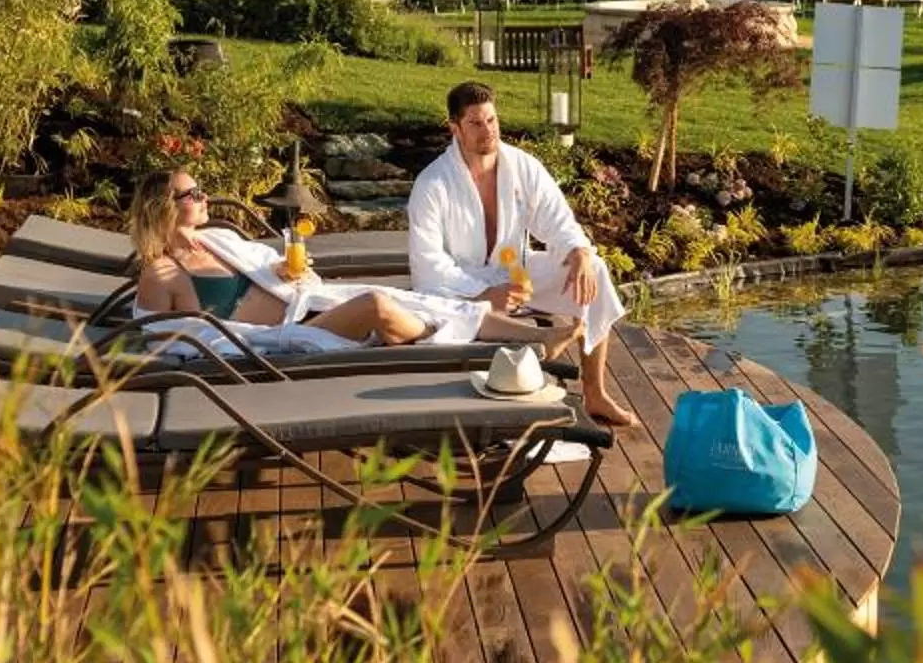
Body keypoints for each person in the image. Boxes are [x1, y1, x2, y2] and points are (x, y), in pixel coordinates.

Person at [408, 80, 636, 425]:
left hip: (515, 273)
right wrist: (483, 292)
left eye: (492, 120)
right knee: (448, 302)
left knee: (596, 269)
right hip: (461, 285)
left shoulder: (522, 166)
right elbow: (428, 265)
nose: (488, 131)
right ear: (454, 127)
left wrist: (578, 252)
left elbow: (558, 219)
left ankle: (595, 393)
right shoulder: (432, 184)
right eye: (475, 123)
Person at [123, 168, 507, 353]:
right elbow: (161, 343)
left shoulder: (215, 240)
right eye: (193, 193)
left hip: (304, 306)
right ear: (163, 209)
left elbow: (263, 265)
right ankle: (438, 340)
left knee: (395, 298)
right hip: (280, 339)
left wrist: (280, 271)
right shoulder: (162, 273)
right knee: (377, 304)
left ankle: (533, 335)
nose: (205, 197)